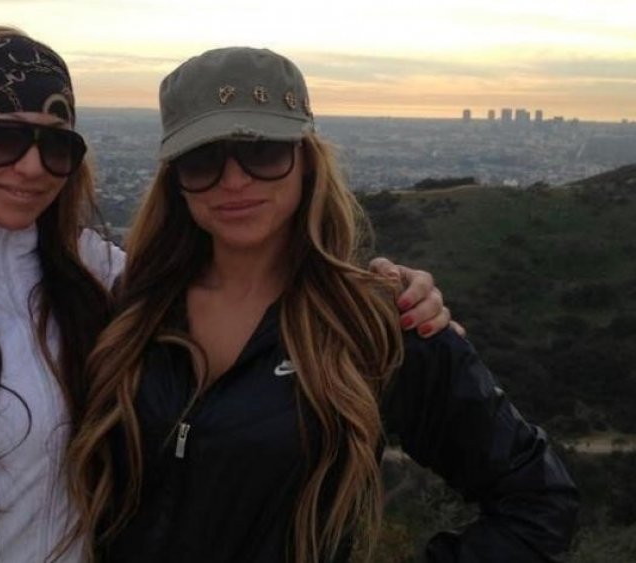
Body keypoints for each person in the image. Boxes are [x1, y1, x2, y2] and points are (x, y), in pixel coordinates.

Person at [0, 28, 453, 563]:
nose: (31, 167)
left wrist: (391, 289)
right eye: (3, 139)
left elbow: (243, 290)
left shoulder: (106, 277)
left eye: (55, 144)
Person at [66, 47, 578, 563]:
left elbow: (537, 499)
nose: (234, 179)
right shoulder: (128, 312)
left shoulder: (373, 323)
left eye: (263, 151)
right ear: (175, 180)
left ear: (307, 160)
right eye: (202, 159)